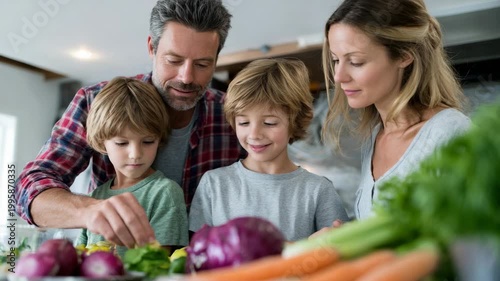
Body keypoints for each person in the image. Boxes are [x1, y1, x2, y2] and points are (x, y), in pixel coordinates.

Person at [15, 0, 245, 248]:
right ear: (151, 48)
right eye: (173, 60)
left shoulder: (235, 116)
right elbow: (29, 188)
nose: (186, 77)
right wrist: (90, 211)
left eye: (202, 64)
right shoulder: (95, 102)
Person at [321, 0, 471, 219]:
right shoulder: (376, 137)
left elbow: (478, 245)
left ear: (404, 56)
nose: (339, 76)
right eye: (335, 60)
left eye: (356, 61)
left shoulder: (450, 134)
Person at [189, 58, 349, 241]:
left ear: (294, 122)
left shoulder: (318, 190)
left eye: (269, 123)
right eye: (244, 123)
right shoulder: (213, 184)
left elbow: (339, 250)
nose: (254, 134)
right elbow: (198, 253)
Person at [75, 77, 188, 258]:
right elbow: (79, 258)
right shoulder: (96, 196)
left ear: (159, 140)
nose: (135, 154)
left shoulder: (165, 192)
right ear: (102, 143)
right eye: (121, 143)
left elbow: (156, 265)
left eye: (148, 141)